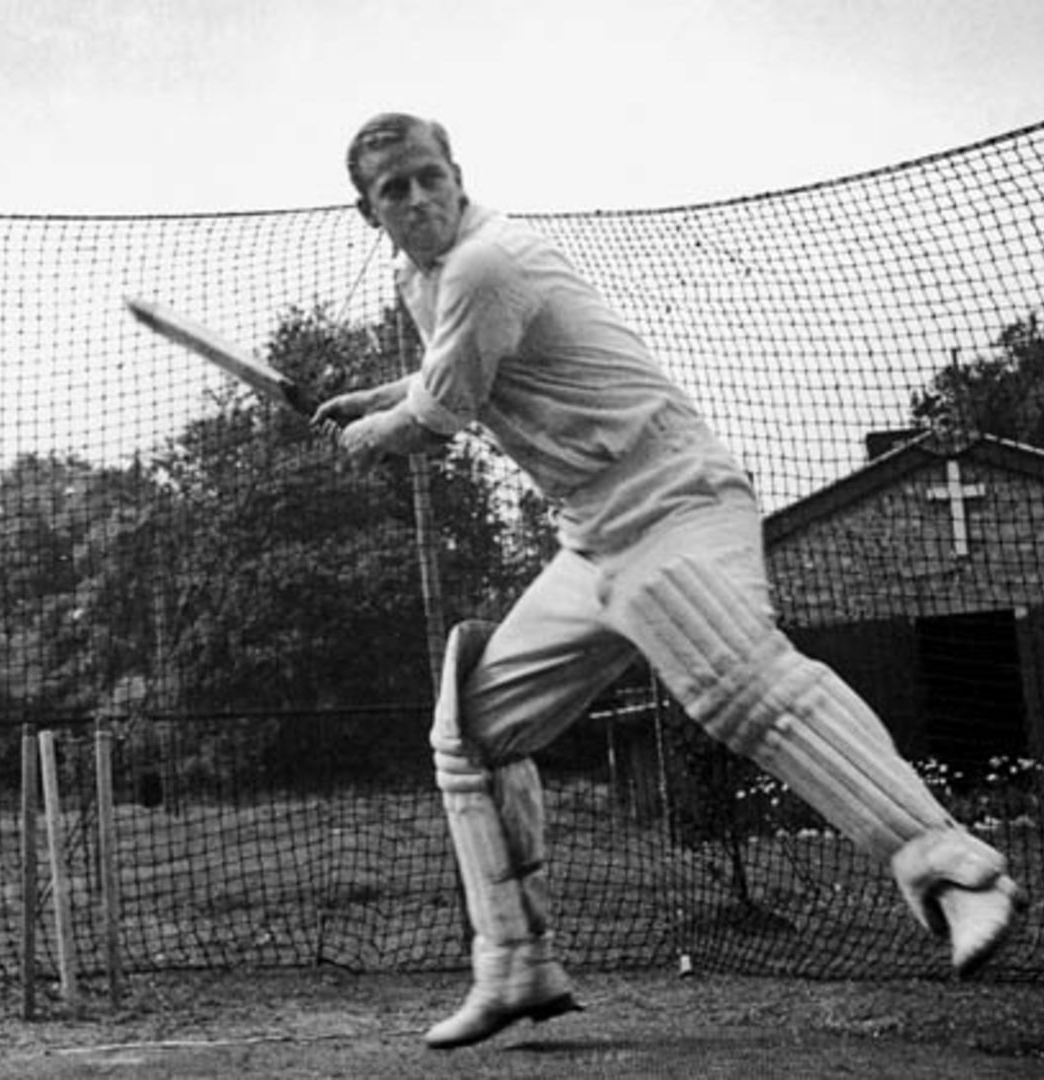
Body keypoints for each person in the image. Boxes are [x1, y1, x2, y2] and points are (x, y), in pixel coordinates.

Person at [312, 112, 1023, 1051]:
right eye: (393, 190)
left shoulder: (489, 259)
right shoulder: (422, 278)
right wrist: (375, 397)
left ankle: (954, 869)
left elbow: (443, 408)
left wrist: (374, 431)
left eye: (427, 176)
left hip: (676, 498)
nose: (417, 198)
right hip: (593, 535)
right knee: (474, 734)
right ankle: (516, 966)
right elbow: (459, 369)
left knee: (736, 685)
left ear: (456, 174)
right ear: (370, 213)